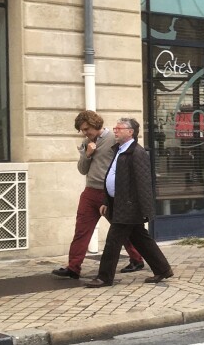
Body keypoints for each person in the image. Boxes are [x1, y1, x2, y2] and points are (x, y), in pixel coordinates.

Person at [52, 110, 144, 280]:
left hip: (109, 194)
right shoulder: (86, 143)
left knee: (121, 229)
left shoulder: (112, 139)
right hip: (89, 193)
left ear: (95, 124)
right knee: (81, 230)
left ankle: (137, 259)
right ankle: (73, 268)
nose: (85, 133)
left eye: (87, 129)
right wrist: (87, 154)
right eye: (82, 130)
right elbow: (82, 169)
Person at [83, 118, 174, 288]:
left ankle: (104, 277)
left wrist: (146, 210)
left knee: (112, 242)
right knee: (141, 239)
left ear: (130, 132)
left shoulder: (137, 153)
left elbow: (144, 182)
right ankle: (163, 269)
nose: (115, 130)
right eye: (115, 127)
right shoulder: (119, 149)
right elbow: (113, 178)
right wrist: (106, 201)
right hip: (118, 203)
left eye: (119, 128)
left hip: (129, 206)